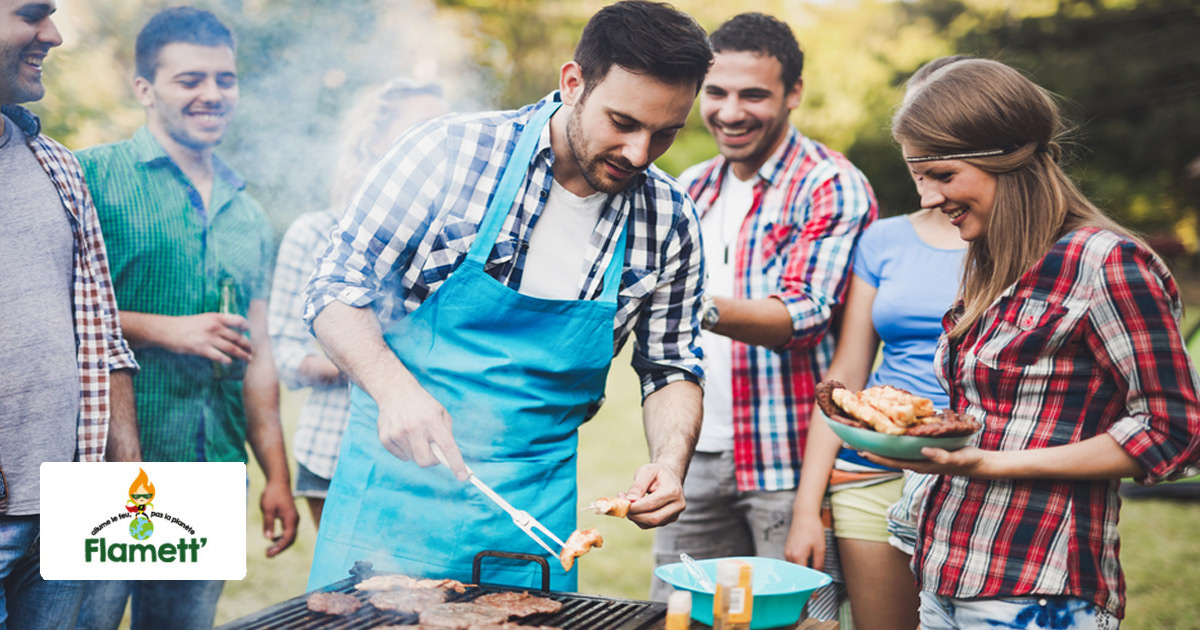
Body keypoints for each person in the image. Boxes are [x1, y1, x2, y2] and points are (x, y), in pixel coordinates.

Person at [303, 0, 712, 592]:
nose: (639, 153)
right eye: (622, 122)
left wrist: (670, 464)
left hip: (533, 523)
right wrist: (395, 391)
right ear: (573, 83)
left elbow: (671, 365)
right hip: (389, 505)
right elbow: (335, 287)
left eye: (665, 132)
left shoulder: (670, 218)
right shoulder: (448, 153)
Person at [867, 58, 1200, 629]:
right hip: (946, 574)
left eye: (942, 175)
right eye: (918, 177)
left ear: (1007, 160)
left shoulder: (1106, 262)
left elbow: (1175, 432)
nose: (927, 198)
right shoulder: (991, 260)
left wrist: (992, 464)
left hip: (1039, 591)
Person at [73, 7, 298, 629]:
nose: (212, 94)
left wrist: (276, 476)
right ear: (145, 89)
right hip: (107, 468)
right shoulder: (90, 176)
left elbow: (259, 357)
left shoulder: (249, 214)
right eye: (189, 79)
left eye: (225, 79)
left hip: (211, 469)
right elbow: (49, 311)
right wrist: (165, 329)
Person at [648, 13, 876, 619]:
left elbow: (803, 316)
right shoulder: (692, 186)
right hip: (694, 454)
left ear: (792, 92)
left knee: (792, 621)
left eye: (753, 95)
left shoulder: (830, 184)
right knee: (683, 616)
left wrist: (687, 303)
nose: (730, 112)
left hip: (788, 458)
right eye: (716, 93)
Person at [783, 56, 970, 630]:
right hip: (871, 474)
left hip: (977, 469)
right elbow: (846, 377)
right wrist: (807, 506)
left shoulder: (1027, 245)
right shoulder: (883, 241)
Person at [0, 1, 141, 627]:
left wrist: (127, 474)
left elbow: (101, 334)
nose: (53, 35)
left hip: (66, 511)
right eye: (32, 14)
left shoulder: (55, 163)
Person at [268, 78, 448, 530]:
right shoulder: (313, 233)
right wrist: (370, 361)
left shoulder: (452, 243)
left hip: (429, 460)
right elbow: (286, 356)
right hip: (333, 455)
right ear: (373, 143)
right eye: (421, 130)